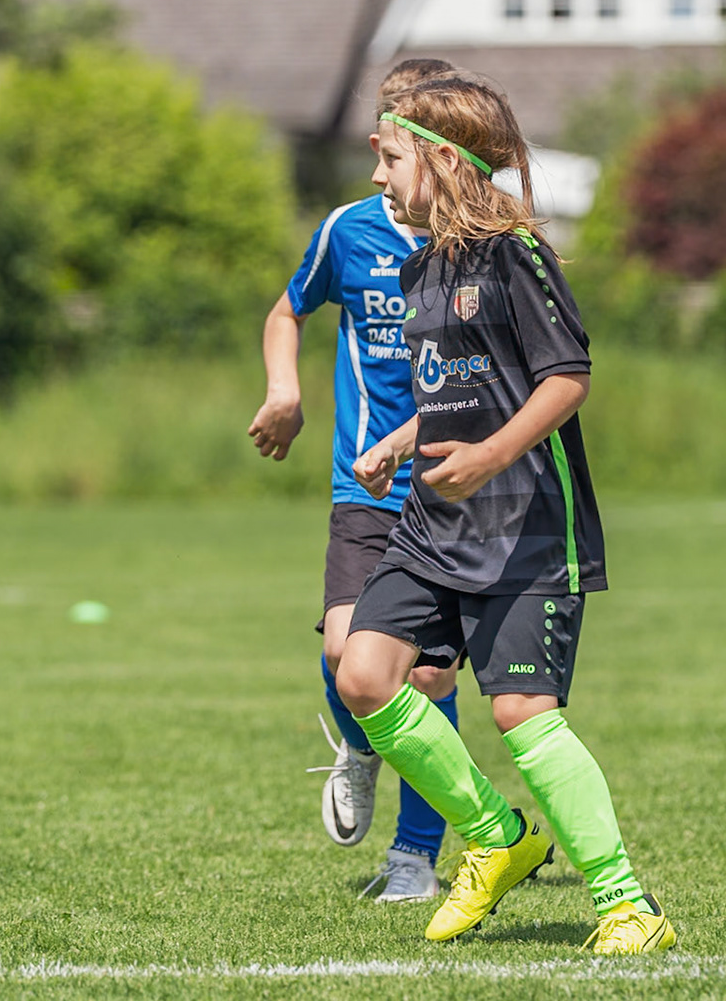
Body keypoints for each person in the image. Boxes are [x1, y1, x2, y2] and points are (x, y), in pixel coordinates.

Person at [334, 75, 674, 954]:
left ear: (444, 161)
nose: (378, 176)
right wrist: (403, 441)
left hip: (524, 524)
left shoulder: (516, 256)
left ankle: (628, 907)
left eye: (391, 156)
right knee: (363, 674)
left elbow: (565, 380)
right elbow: (459, 392)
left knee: (522, 711)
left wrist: (488, 457)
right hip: (434, 524)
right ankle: (498, 837)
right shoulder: (421, 267)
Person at [249, 58, 464, 902]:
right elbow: (287, 311)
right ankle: (363, 745)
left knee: (429, 679)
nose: (380, 161)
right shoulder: (348, 231)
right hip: (364, 489)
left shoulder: (475, 244)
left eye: (395, 143)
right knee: (346, 655)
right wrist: (285, 391)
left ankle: (414, 859)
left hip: (453, 490)